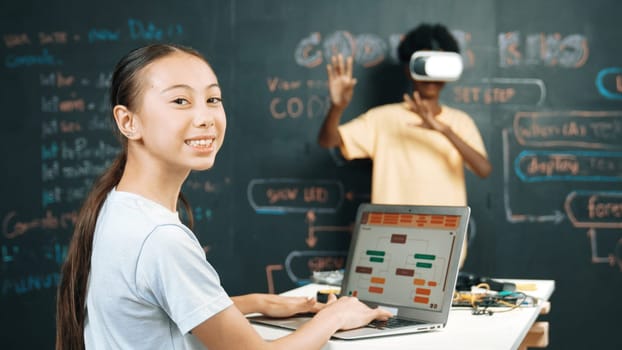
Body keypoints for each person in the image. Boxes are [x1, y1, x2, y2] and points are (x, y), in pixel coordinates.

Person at [55, 43, 392, 350]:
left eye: (212, 99)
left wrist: (258, 302)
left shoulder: (117, 205)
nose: (205, 118)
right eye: (180, 101)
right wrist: (336, 315)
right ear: (128, 122)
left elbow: (153, 308)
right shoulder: (161, 239)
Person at [317, 23, 492, 269]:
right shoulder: (382, 118)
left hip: (445, 244)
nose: (432, 76)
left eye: (440, 65)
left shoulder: (460, 122)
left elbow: (483, 169)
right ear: (409, 70)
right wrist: (337, 107)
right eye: (424, 65)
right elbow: (328, 141)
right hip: (387, 243)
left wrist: (444, 130)